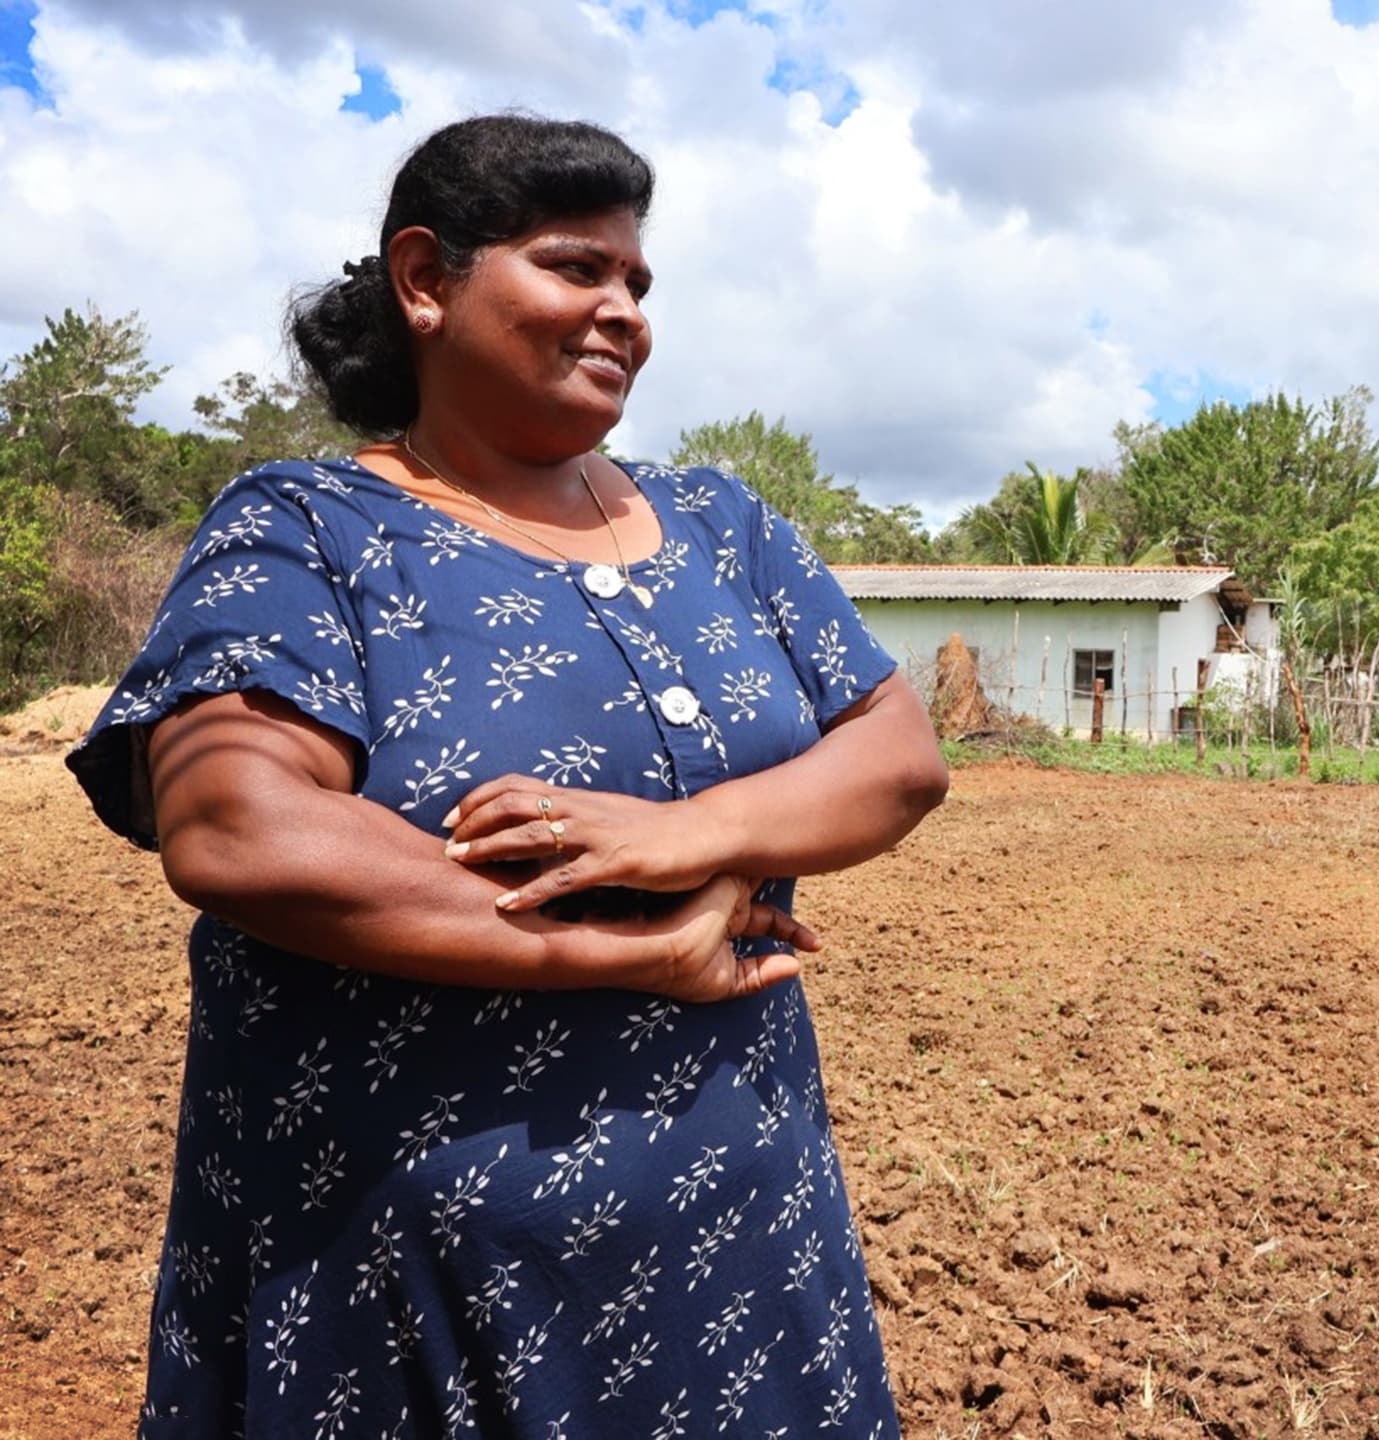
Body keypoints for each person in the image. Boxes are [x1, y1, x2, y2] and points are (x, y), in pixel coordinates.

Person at [68, 113, 947, 1437]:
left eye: (638, 283)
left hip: (745, 1232)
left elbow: (897, 753)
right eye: (576, 268)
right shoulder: (306, 531)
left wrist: (685, 834)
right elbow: (236, 826)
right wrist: (626, 954)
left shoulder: (723, 525)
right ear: (425, 280)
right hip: (418, 1271)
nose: (623, 310)